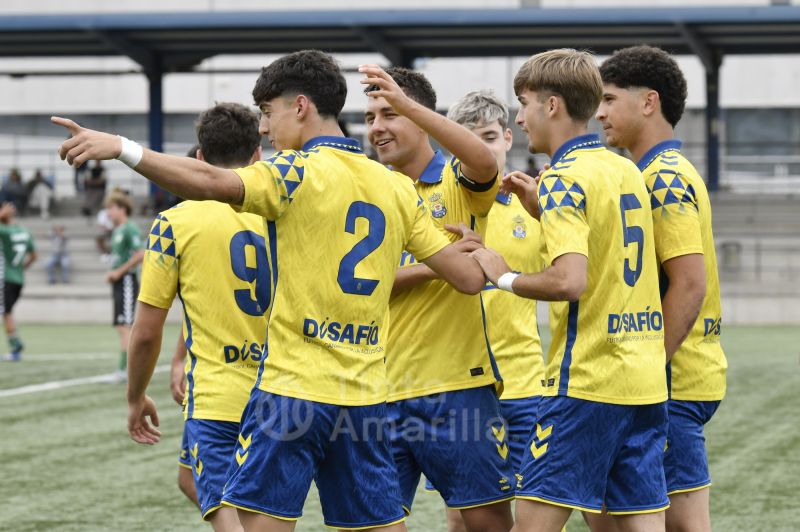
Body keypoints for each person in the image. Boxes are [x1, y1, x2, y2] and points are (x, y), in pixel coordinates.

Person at [53, 49, 487, 532]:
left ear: (300, 106)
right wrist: (476, 254)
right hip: (363, 398)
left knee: (259, 526)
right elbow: (468, 281)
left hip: (290, 392)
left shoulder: (295, 173)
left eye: (267, 112)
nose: (263, 128)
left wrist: (123, 148)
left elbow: (212, 181)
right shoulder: (394, 187)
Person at [469, 49, 669, 532]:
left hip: (586, 381)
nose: (520, 116)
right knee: (640, 524)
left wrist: (502, 276)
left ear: (552, 105)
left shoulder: (562, 178)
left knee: (532, 523)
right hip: (643, 379)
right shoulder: (623, 169)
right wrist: (544, 210)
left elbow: (569, 281)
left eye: (524, 103)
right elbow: (602, 247)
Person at [363, 66, 514, 532]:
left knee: (486, 522)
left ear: (420, 116)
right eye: (369, 117)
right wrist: (442, 263)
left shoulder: (456, 179)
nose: (376, 127)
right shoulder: (369, 190)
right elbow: (365, 284)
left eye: (390, 112)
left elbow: (486, 163)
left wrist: (411, 106)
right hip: (378, 390)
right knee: (371, 522)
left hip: (458, 387)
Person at [593, 45, 727, 532]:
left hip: (672, 380)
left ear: (649, 102)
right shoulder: (650, 173)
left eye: (608, 100)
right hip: (676, 375)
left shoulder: (663, 178)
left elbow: (689, 283)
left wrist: (650, 369)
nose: (600, 112)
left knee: (679, 524)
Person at [128, 102, 270, 531]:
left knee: (240, 517)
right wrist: (179, 357)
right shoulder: (280, 212)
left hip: (219, 397)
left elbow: (146, 331)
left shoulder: (175, 223)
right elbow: (207, 296)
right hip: (281, 390)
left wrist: (135, 397)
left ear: (199, 160)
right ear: (257, 156)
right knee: (190, 480)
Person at [423, 89, 547, 532]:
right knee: (461, 518)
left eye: (491, 136)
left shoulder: (534, 205)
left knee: (536, 515)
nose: (484, 147)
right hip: (460, 387)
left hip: (524, 384)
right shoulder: (434, 207)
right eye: (469, 138)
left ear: (509, 138)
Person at [105, 192, 144, 383]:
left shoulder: (130, 229)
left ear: (122, 209)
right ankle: (124, 370)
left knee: (126, 326)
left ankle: (126, 371)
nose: (108, 213)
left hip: (127, 280)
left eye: (111, 208)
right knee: (122, 325)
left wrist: (119, 272)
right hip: (119, 282)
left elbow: (141, 253)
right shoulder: (117, 230)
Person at [0, 202, 36, 362]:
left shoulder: (4, 231)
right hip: (19, 278)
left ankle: (15, 346)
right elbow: (34, 255)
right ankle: (15, 344)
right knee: (7, 312)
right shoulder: (25, 231)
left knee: (6, 312)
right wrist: (22, 269)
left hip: (5, 277)